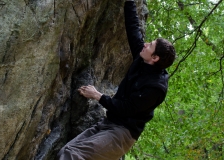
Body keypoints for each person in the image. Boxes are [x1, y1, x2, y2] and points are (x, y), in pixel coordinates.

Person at [57, 0, 176, 159]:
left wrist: (96, 95)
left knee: (71, 154)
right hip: (108, 124)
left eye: (150, 45)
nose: (146, 44)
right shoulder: (142, 60)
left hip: (122, 134)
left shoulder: (155, 88)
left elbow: (126, 108)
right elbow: (133, 29)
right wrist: (129, 2)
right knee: (65, 151)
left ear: (154, 58)